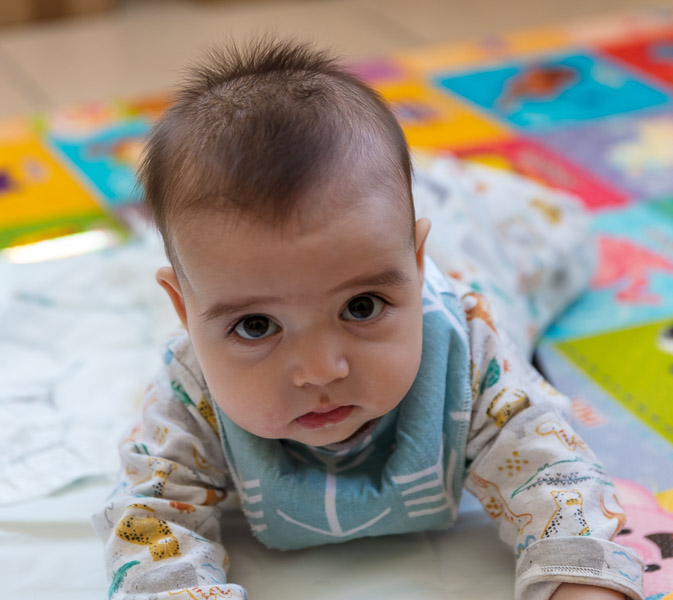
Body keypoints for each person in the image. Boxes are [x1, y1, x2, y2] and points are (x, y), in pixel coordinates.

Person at [93, 39, 643, 600]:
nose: (320, 371)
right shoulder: (191, 392)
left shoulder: (468, 353)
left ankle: (436, 189)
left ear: (417, 267)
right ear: (184, 313)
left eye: (361, 307)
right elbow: (147, 517)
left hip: (482, 254)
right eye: (256, 326)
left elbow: (556, 475)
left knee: (558, 232)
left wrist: (580, 580)